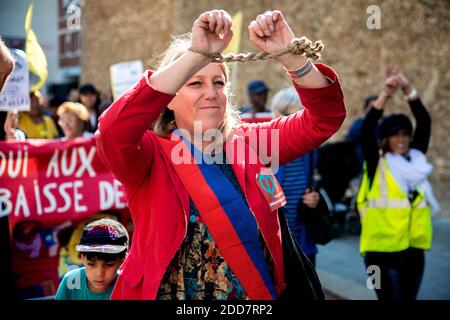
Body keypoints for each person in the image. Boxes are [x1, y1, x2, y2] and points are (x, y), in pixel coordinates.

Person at [96, 9, 345, 300]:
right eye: (195, 82)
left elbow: (324, 120)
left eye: (218, 82)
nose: (211, 93)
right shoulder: (150, 156)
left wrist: (289, 55)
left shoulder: (251, 143)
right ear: (170, 98)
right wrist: (196, 54)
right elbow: (112, 133)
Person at [357, 69, 439, 300]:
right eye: (395, 135)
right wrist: (386, 94)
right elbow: (367, 128)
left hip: (413, 251)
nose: (401, 139)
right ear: (385, 139)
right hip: (377, 254)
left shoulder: (417, 161)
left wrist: (407, 89)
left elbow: (424, 121)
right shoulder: (377, 163)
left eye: (405, 134)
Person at [272, 87, 322, 266]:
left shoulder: (309, 148)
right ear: (277, 114)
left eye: (302, 119)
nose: (299, 125)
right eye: (293, 118)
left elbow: (313, 184)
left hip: (303, 243)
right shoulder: (265, 149)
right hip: (275, 245)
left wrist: (315, 196)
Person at [55, 218, 129, 300]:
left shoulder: (128, 286)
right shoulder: (71, 281)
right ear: (82, 258)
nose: (99, 273)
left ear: (123, 260)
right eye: (91, 264)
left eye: (109, 264)